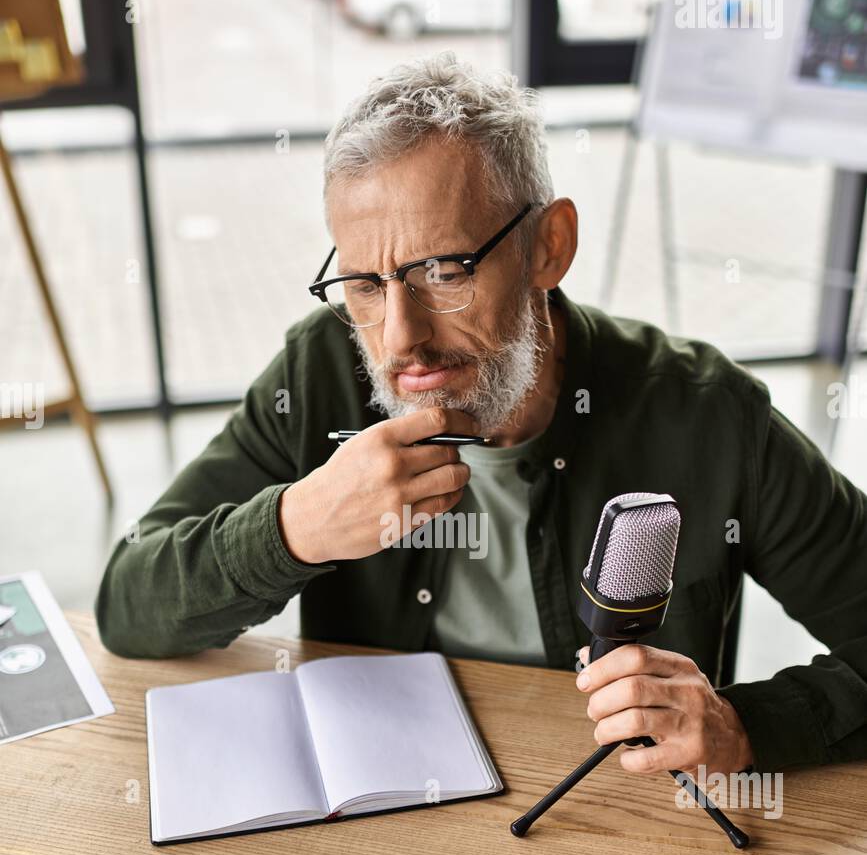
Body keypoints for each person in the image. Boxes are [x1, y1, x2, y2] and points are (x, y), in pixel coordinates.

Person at [97, 53, 867, 781]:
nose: (400, 338)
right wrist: (295, 526)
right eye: (365, 284)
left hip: (619, 815)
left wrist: (746, 726)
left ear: (548, 246)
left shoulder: (704, 415)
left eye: (443, 270)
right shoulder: (321, 371)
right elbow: (129, 605)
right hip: (378, 809)